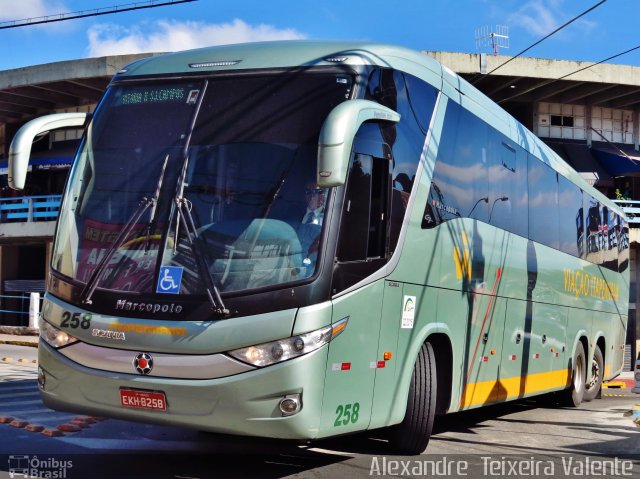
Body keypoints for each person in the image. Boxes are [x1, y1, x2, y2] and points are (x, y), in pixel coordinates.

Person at [297, 184, 327, 268]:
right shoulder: (293, 214)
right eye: (309, 192)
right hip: (290, 262)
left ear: (324, 195)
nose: (313, 195)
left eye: (318, 192)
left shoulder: (330, 218)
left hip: (316, 268)